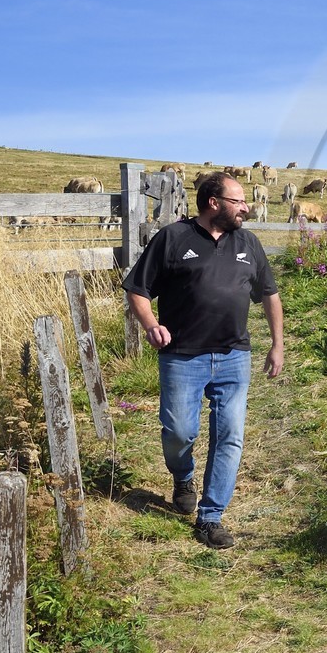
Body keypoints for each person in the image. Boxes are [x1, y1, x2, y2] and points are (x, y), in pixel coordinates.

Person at [122, 172, 284, 548]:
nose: (246, 208)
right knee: (179, 433)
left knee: (230, 436)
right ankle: (183, 477)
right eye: (238, 201)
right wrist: (150, 325)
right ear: (214, 203)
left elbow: (270, 295)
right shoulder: (173, 238)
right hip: (182, 357)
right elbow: (137, 290)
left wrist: (277, 344)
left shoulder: (248, 243)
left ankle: (211, 517)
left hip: (234, 356)